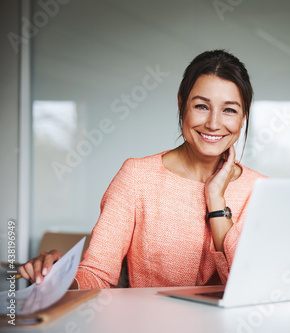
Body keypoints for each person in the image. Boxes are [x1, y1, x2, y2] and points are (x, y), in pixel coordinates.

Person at [19, 49, 266, 289]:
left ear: (244, 116)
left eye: (229, 110)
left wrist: (216, 201)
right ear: (181, 105)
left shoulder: (261, 190)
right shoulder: (137, 177)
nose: (213, 123)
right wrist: (55, 281)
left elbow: (253, 288)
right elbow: (97, 275)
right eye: (201, 106)